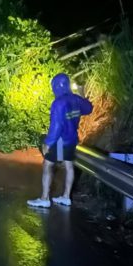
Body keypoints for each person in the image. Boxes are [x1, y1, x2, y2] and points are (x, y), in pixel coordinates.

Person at [27, 73, 93, 208]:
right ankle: (66, 197)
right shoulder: (75, 99)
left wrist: (48, 142)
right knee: (69, 166)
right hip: (72, 139)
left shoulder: (58, 103)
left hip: (60, 140)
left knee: (47, 165)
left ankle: (44, 198)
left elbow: (56, 126)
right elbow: (88, 108)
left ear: (55, 86)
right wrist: (81, 95)